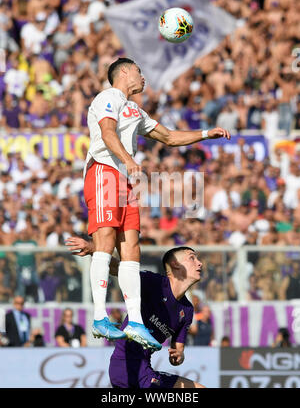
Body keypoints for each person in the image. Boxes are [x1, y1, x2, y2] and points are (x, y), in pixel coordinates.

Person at [84, 57, 230, 348]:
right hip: (104, 170)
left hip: (126, 178)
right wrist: (128, 159)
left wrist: (204, 134)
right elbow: (107, 132)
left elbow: (170, 137)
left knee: (131, 249)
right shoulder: (108, 97)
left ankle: (136, 321)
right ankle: (100, 316)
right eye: (139, 71)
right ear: (124, 72)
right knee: (105, 239)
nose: (143, 77)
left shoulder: (135, 109)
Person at [66, 237, 205, 388]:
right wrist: (94, 249)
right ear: (175, 264)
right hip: (126, 367)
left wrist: (179, 356)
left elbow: (178, 350)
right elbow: (119, 270)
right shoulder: (155, 283)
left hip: (144, 370)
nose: (199, 263)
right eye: (192, 258)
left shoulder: (187, 309)